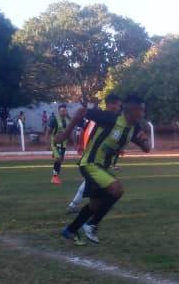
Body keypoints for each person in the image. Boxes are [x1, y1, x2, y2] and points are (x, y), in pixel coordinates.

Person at [56, 94, 151, 245]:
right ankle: (92, 225)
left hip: (102, 168)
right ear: (131, 111)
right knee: (116, 189)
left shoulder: (134, 128)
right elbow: (81, 111)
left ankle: (70, 230)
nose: (143, 114)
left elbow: (146, 149)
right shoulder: (110, 118)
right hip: (90, 163)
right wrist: (65, 135)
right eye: (141, 111)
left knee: (95, 205)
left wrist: (145, 138)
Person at [67, 119, 97, 213]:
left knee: (92, 180)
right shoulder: (98, 121)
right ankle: (73, 205)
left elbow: (82, 130)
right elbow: (83, 131)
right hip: (93, 155)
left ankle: (74, 205)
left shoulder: (92, 122)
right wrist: (80, 144)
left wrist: (80, 145)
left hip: (93, 154)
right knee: (92, 180)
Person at [46, 104, 71, 184]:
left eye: (65, 110)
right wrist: (48, 144)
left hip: (63, 143)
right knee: (58, 158)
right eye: (62, 111)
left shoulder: (67, 119)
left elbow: (73, 125)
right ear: (59, 111)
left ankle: (56, 176)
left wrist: (74, 143)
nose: (64, 112)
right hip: (55, 143)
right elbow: (48, 132)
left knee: (60, 160)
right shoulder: (54, 119)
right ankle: (54, 177)